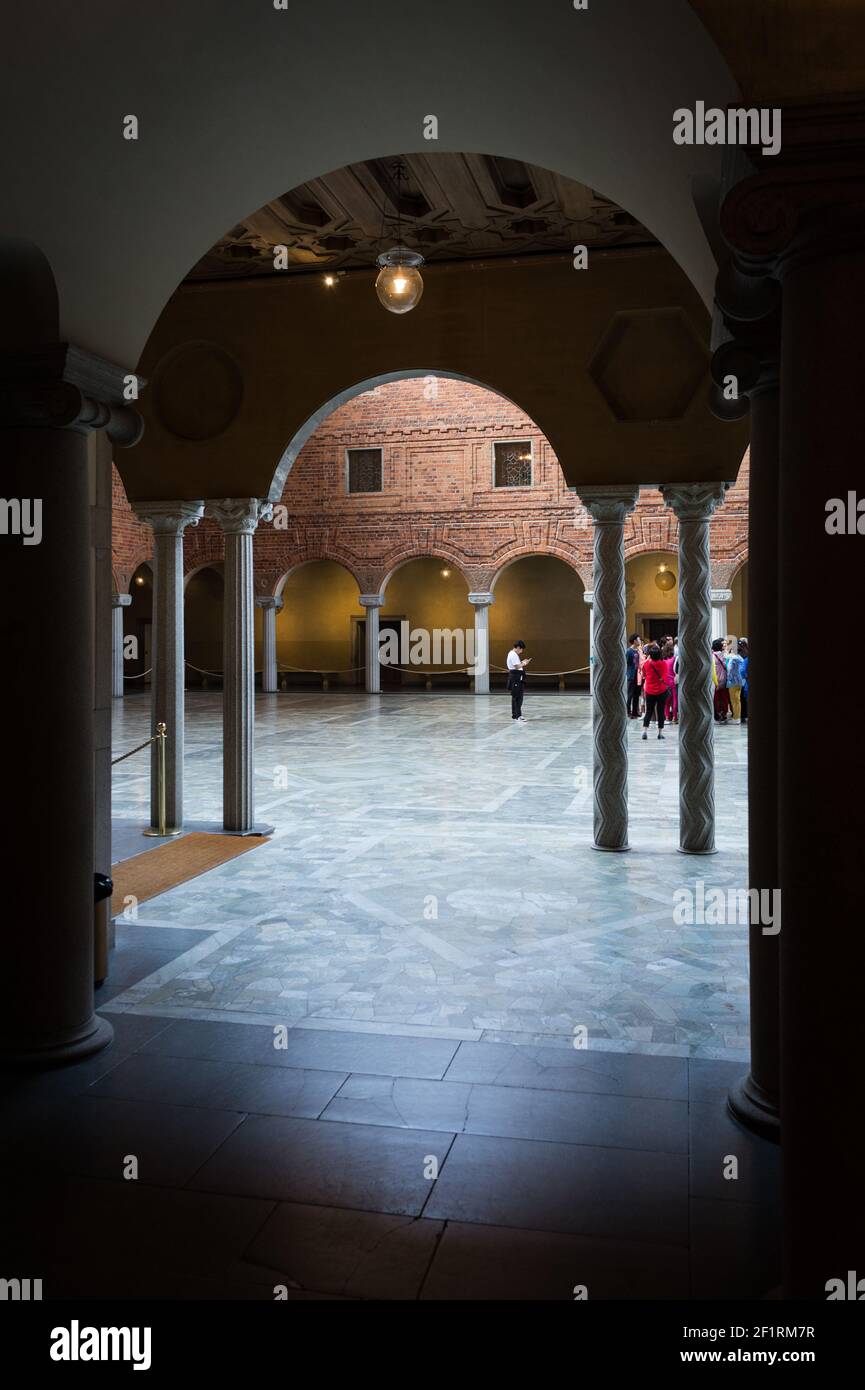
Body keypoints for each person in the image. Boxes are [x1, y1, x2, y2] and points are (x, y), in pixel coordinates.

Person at [641, 643, 669, 740]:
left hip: (649, 690)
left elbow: (643, 674)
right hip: (661, 691)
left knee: (648, 711)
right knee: (660, 712)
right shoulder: (664, 664)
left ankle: (645, 731)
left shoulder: (647, 664)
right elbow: (665, 678)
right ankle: (660, 733)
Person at [507, 639, 531, 722]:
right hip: (515, 677)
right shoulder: (513, 654)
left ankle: (516, 715)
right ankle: (518, 716)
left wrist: (522, 662)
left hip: (517, 676)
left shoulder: (513, 654)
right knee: (517, 697)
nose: (521, 651)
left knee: (517, 696)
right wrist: (524, 663)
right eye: (521, 649)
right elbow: (516, 666)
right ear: (517, 647)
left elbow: (517, 665)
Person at [725, 636, 744, 723]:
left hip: (733, 681)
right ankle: (737, 717)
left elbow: (729, 669)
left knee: (734, 700)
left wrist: (729, 678)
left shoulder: (733, 658)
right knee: (738, 700)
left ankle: (736, 718)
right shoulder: (739, 657)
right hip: (739, 681)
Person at [711, 638, 729, 722]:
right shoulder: (724, 655)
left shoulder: (712, 655)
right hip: (724, 679)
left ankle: (717, 713)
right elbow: (727, 666)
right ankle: (724, 713)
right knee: (724, 697)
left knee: (716, 698)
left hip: (715, 680)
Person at [661, 639, 678, 724]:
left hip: (665, 681)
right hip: (673, 681)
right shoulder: (674, 659)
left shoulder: (663, 660)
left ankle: (667, 716)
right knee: (675, 699)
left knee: (667, 701)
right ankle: (675, 717)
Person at [626, 634, 641, 718]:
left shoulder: (638, 651)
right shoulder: (629, 651)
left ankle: (635, 711)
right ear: (634, 641)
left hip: (638, 675)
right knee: (630, 694)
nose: (639, 641)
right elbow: (627, 663)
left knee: (636, 694)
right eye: (638, 639)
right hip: (631, 675)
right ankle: (628, 711)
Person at [738, 638, 749, 724]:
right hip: (743, 680)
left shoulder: (745, 658)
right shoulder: (746, 655)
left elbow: (742, 671)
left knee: (743, 699)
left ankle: (744, 715)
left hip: (743, 681)